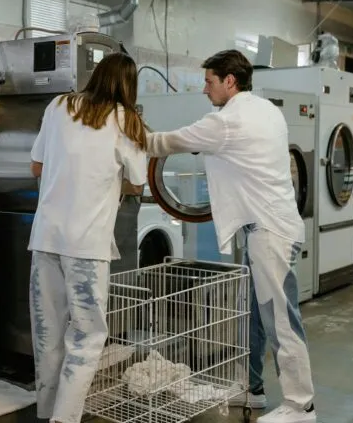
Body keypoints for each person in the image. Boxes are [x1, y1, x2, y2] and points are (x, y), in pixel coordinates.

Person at [144, 50, 316, 423]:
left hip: (270, 232)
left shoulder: (226, 122)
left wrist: (121, 130)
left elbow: (163, 144)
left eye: (209, 82)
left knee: (281, 319)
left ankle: (301, 405)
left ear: (230, 81)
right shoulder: (266, 110)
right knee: (254, 314)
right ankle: (252, 389)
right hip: (271, 226)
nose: (205, 89)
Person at [27, 52, 148, 423]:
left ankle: (47, 413)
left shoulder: (58, 105)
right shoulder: (127, 120)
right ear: (129, 85)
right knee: (86, 338)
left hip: (46, 239)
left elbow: (36, 166)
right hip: (87, 246)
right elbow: (138, 183)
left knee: (47, 335)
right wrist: (107, 181)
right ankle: (64, 419)